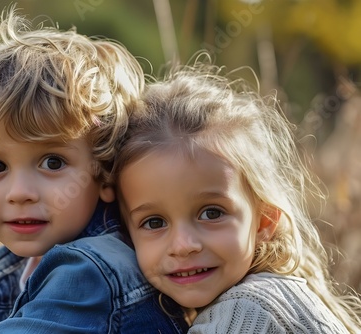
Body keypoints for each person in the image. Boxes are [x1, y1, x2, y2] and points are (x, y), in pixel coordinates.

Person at [0, 7, 188, 334]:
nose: (19, 193)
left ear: (106, 170)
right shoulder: (16, 262)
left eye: (52, 162)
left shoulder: (93, 271)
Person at [114, 61, 361, 333]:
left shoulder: (246, 310)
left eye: (211, 213)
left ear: (264, 221)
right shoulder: (272, 293)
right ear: (126, 233)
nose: (183, 245)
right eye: (154, 222)